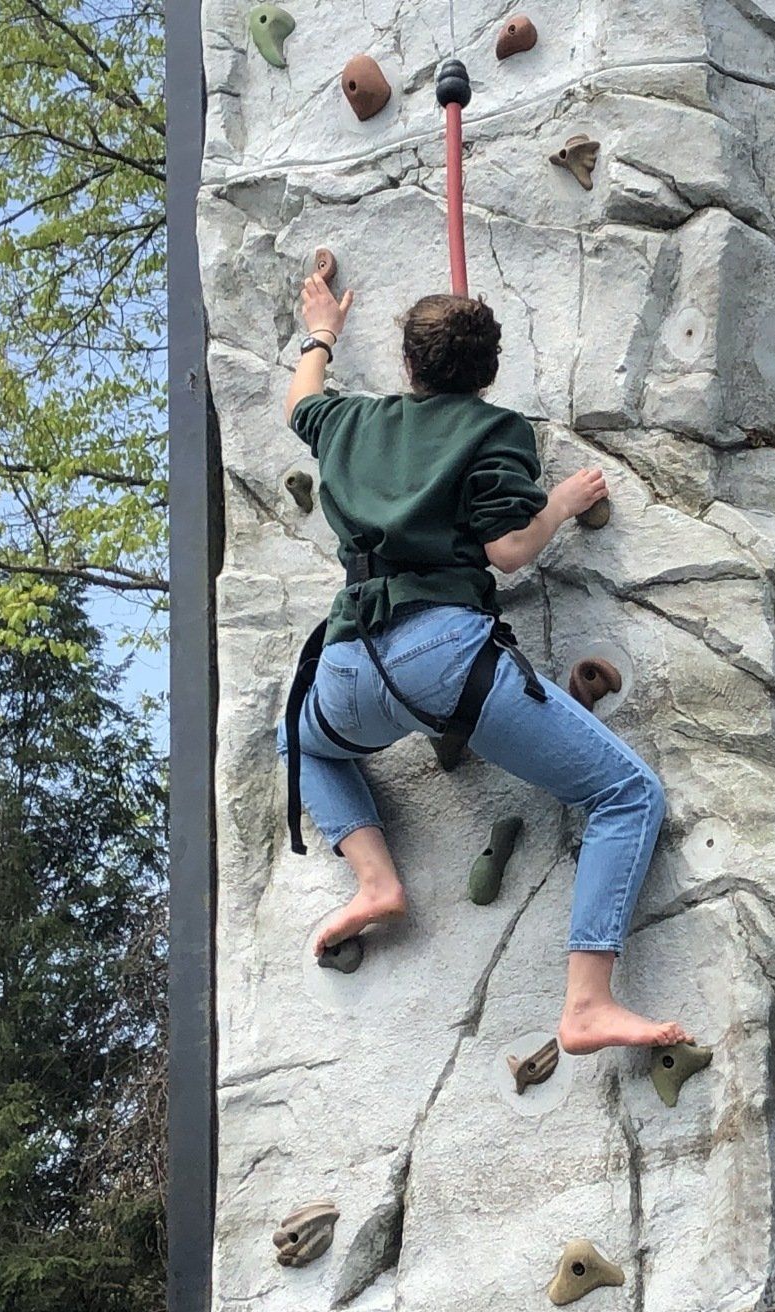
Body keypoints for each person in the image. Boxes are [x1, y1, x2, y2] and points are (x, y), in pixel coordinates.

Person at [277, 271, 693, 1056]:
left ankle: (376, 881)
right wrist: (563, 501)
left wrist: (323, 330)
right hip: (446, 659)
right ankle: (586, 1002)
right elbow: (508, 551)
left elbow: (301, 401)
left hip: (348, 665)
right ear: (489, 371)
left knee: (300, 742)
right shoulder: (497, 431)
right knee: (626, 793)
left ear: (407, 365)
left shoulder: (350, 423)